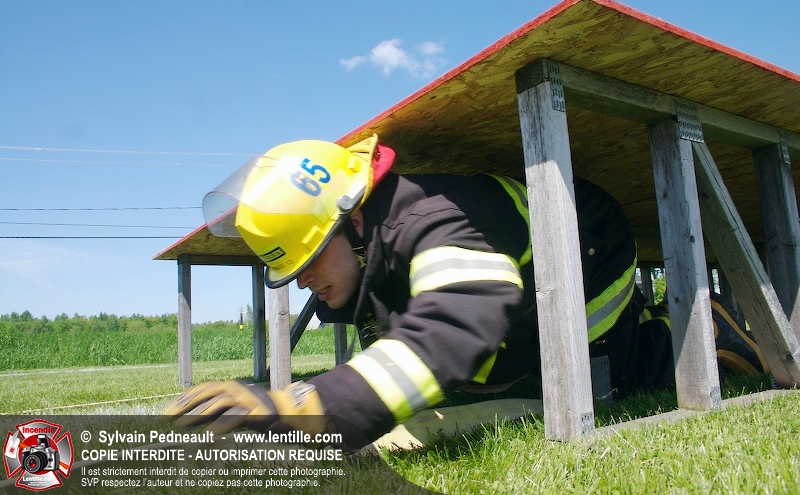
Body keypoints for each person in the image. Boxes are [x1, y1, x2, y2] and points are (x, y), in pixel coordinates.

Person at [165, 135, 765, 446]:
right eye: (291, 269)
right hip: (523, 276)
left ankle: (694, 333)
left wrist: (306, 410)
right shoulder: (376, 244)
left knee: (594, 386)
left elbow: (454, 329)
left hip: (586, 252)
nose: (302, 280)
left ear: (354, 222)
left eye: (311, 258)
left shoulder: (436, 222)